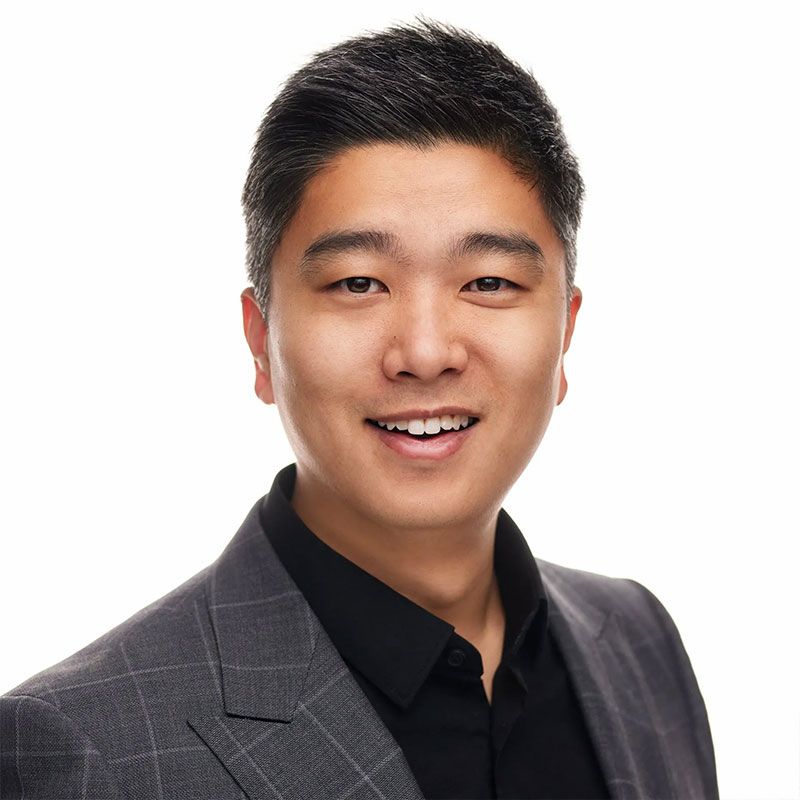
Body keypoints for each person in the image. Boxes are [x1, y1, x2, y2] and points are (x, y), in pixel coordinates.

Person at [0, 18, 718, 800]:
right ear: (260, 338)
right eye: (357, 283)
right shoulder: (85, 746)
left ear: (566, 331)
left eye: (487, 283)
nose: (424, 350)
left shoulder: (639, 643)